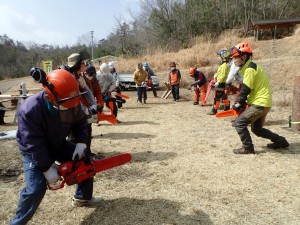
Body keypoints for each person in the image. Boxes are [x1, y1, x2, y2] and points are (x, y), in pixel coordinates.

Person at [10, 69, 102, 225]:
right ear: (50, 96)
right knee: (36, 189)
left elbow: (80, 121)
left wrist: (81, 142)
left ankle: (83, 197)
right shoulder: (30, 110)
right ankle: (17, 222)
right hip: (33, 151)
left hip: (58, 142)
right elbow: (33, 143)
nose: (71, 107)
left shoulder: (72, 100)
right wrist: (46, 168)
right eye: (65, 105)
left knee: (85, 160)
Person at [231, 42, 289, 154]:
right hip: (264, 103)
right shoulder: (251, 67)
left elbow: (246, 89)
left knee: (239, 123)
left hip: (260, 103)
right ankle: (280, 141)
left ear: (244, 57)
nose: (235, 60)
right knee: (257, 129)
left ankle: (247, 148)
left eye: (236, 57)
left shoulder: (250, 69)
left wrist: (239, 103)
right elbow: (249, 89)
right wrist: (243, 103)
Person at [66, 53, 99, 154]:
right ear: (77, 64)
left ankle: (87, 153)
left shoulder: (77, 75)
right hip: (70, 111)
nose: (85, 64)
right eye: (83, 63)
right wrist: (88, 110)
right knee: (73, 135)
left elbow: (86, 90)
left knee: (87, 130)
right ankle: (73, 158)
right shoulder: (69, 77)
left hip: (80, 109)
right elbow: (73, 98)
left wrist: (94, 104)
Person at [84, 65, 104, 154]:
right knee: (81, 131)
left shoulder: (95, 81)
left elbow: (98, 93)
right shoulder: (80, 80)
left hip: (92, 108)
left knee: (89, 130)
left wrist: (99, 102)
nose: (91, 77)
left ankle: (88, 151)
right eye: (90, 75)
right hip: (82, 108)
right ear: (85, 73)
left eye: (93, 75)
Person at [207, 50, 231, 115]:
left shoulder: (224, 66)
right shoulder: (224, 65)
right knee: (223, 96)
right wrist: (216, 75)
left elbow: (223, 75)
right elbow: (220, 73)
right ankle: (227, 107)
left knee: (217, 97)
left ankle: (214, 110)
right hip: (222, 83)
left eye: (220, 56)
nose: (219, 58)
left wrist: (218, 82)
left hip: (220, 83)